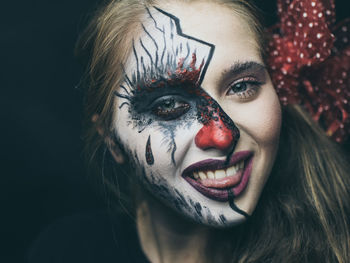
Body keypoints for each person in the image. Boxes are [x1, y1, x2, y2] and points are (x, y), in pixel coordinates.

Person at [28, 0, 350, 262]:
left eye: (241, 86)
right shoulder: (66, 250)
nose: (222, 135)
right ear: (111, 141)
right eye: (168, 104)